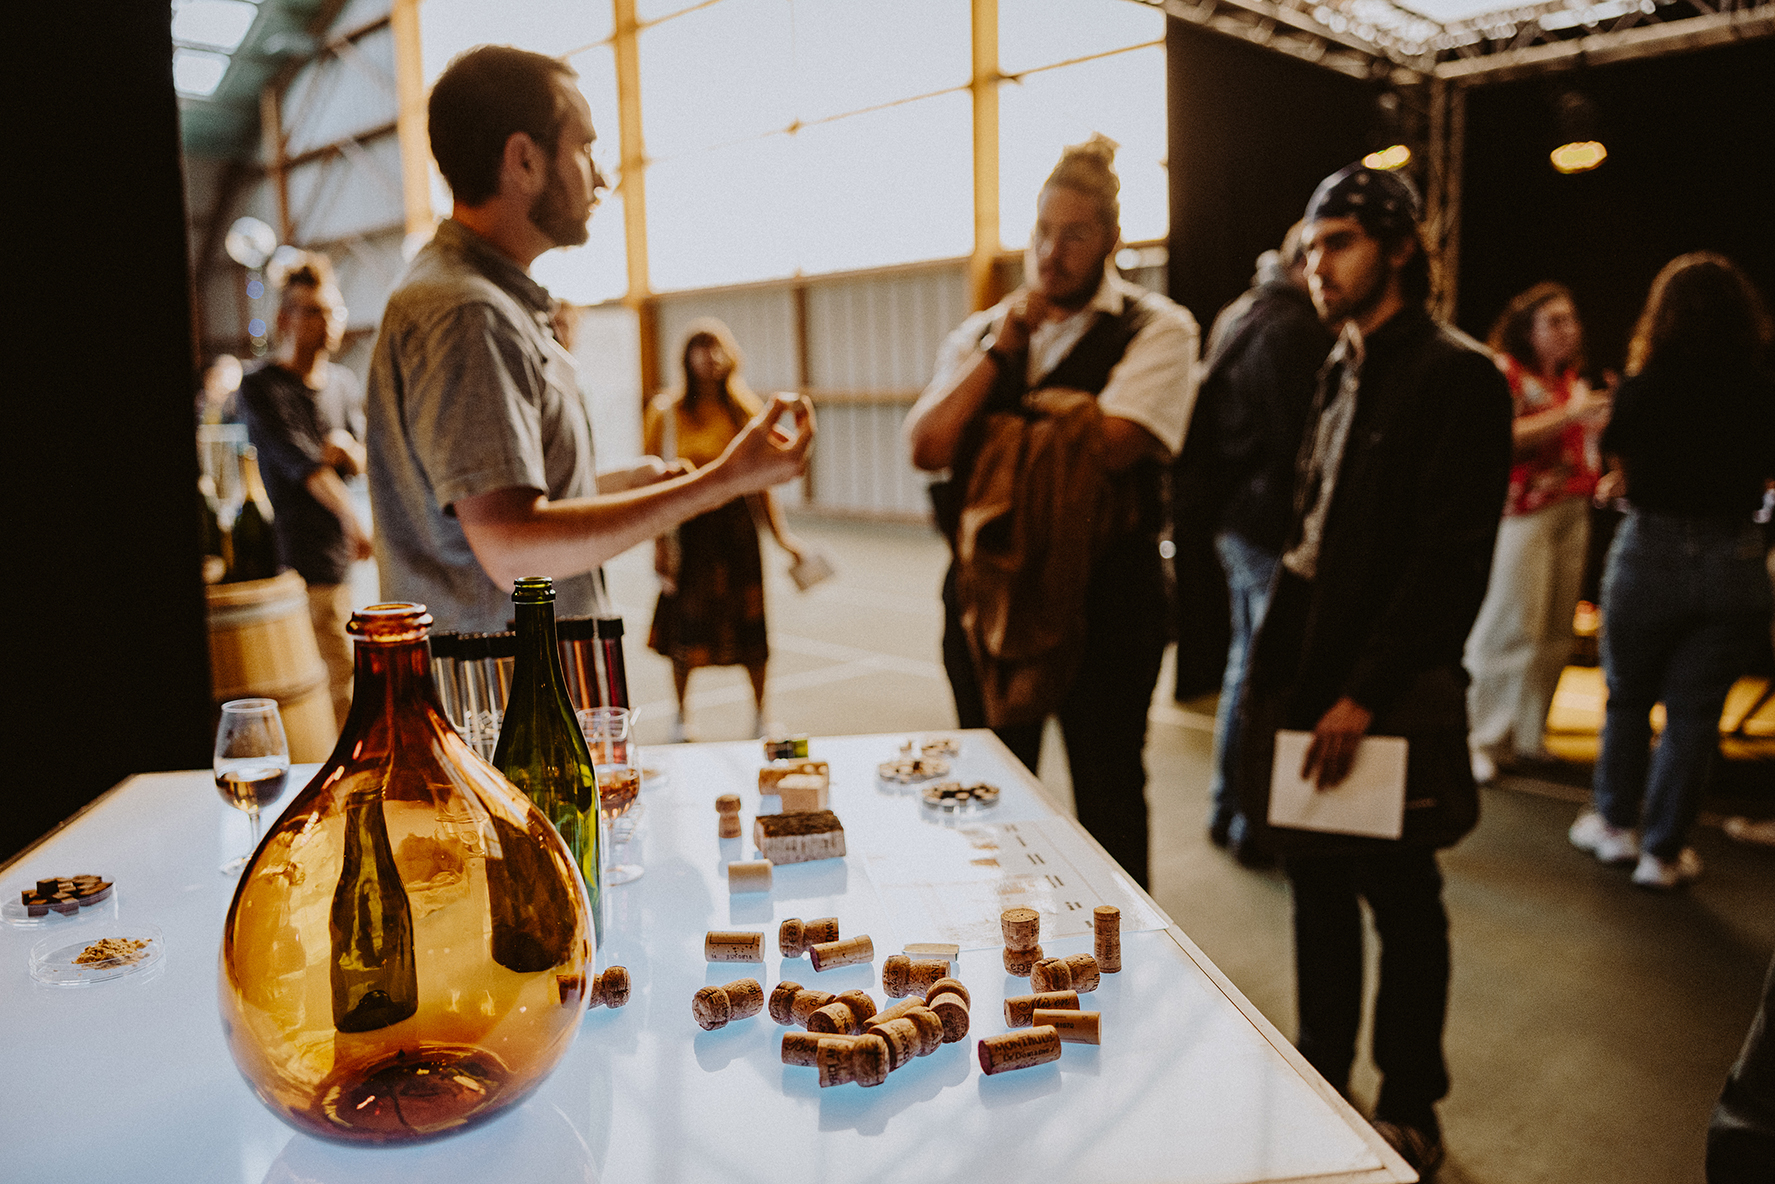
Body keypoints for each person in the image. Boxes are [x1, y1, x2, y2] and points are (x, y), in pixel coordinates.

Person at [1234, 163, 1513, 1175]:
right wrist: (1282, 674)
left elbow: (1449, 560)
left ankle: (1408, 1103)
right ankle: (1320, 1073)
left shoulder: (1457, 374)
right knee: (1313, 883)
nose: (1318, 265)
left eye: (1339, 243)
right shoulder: (1336, 362)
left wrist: (1363, 691)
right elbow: (1313, 532)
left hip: (1386, 682)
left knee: (1400, 895)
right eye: (1310, 247)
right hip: (1309, 663)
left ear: (1397, 247)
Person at [365, 45, 812, 635]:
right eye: (585, 147)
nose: (602, 176)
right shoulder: (470, 313)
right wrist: (723, 480)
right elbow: (513, 549)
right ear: (524, 160)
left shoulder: (484, 300)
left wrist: (612, 489)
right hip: (510, 687)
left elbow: (483, 515)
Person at [904, 135, 1199, 890]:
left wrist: (993, 434)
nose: (1051, 252)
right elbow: (928, 445)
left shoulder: (1158, 327)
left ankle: (1119, 939)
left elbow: (1114, 446)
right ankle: (997, 932)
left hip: (1107, 602)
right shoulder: (983, 334)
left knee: (1108, 795)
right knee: (989, 791)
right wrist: (1004, 358)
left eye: (1074, 234)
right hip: (986, 598)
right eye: (1042, 230)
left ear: (1111, 239)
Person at [1568, 253, 1775, 889]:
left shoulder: (1643, 387)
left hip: (1650, 549)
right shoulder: (1761, 390)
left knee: (1627, 697)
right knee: (1695, 713)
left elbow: (1620, 460)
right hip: (1735, 553)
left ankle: (1614, 826)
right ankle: (1663, 852)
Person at [1184, 223, 1332, 863]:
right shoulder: (1292, 329)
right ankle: (1249, 818)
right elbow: (1300, 440)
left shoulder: (1240, 312)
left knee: (1245, 666)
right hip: (1267, 524)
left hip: (1235, 518)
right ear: (1301, 262)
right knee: (1264, 676)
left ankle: (1230, 808)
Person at [1465, 282, 1612, 783]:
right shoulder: (1505, 372)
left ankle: (1529, 735)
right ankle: (1481, 737)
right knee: (1512, 626)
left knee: (1554, 630)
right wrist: (1569, 415)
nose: (1569, 330)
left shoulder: (1570, 380)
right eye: (1555, 321)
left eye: (1572, 319)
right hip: (1522, 512)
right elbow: (1494, 437)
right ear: (1527, 328)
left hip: (1573, 506)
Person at [646, 319, 809, 740]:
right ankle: (681, 717)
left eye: (716, 347)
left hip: (737, 531)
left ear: (730, 355)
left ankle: (761, 716)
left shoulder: (747, 410)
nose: (710, 356)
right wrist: (659, 544)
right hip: (689, 529)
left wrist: (782, 537)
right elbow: (653, 485)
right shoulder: (666, 413)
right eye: (700, 347)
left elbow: (762, 485)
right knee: (686, 630)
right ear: (686, 357)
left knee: (751, 628)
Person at [237, 253, 372, 729]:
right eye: (313, 311)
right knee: (337, 682)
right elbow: (305, 468)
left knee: (352, 676)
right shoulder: (262, 387)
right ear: (284, 318)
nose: (327, 322)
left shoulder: (342, 384)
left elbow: (364, 457)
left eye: (333, 310)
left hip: (346, 558)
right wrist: (353, 519)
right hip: (301, 560)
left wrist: (350, 452)